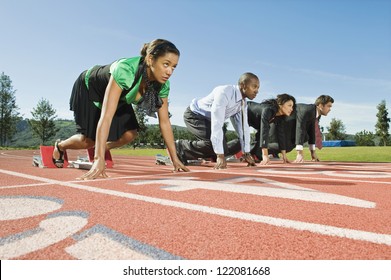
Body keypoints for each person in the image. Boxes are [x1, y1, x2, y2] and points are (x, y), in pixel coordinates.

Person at [52, 39, 189, 179]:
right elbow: (106, 117)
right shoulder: (126, 71)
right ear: (150, 59)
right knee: (87, 141)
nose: (170, 71)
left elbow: (165, 122)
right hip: (89, 88)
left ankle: (100, 146)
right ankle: (60, 146)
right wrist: (99, 160)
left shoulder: (163, 85)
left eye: (174, 67)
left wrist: (175, 159)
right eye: (166, 64)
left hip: (119, 97)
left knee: (130, 134)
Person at [175, 73, 259, 169]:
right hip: (195, 115)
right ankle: (181, 146)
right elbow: (217, 124)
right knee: (215, 146)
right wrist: (220, 155)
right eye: (254, 86)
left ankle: (210, 154)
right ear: (243, 85)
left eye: (258, 88)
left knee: (228, 147)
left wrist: (246, 152)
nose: (257, 91)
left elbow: (243, 128)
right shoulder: (224, 93)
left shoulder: (243, 103)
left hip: (209, 120)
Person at [227, 94, 296, 165]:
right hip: (239, 112)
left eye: (292, 106)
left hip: (253, 119)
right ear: (280, 104)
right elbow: (264, 131)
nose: (291, 109)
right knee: (244, 138)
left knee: (262, 136)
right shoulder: (268, 110)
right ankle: (218, 153)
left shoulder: (280, 117)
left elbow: (281, 135)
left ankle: (254, 155)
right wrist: (265, 155)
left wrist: (284, 155)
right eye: (289, 105)